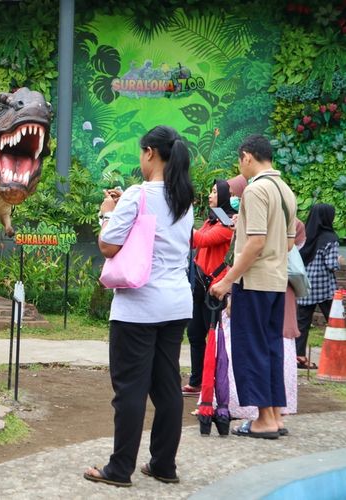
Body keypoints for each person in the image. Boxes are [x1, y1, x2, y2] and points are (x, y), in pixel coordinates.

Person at [84, 125, 194, 488]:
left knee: (130, 389)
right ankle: (164, 465)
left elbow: (108, 246)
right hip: (176, 303)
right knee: (167, 388)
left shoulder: (138, 194)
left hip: (138, 306)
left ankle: (119, 469)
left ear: (149, 153)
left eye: (140, 153)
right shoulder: (185, 198)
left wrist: (107, 213)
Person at [210, 134, 297, 440]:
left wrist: (227, 280)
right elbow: (287, 242)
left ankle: (263, 421)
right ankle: (274, 415)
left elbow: (256, 242)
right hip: (276, 282)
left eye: (240, 160)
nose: (240, 166)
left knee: (252, 349)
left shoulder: (256, 190)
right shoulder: (285, 190)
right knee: (271, 348)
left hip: (254, 282)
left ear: (247, 156)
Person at [183, 179, 235, 396]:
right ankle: (196, 381)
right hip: (199, 287)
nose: (211, 195)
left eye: (214, 192)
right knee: (195, 334)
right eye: (211, 191)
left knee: (213, 337)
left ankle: (213, 383)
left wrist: (179, 220)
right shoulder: (211, 221)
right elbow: (194, 242)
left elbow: (201, 240)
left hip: (215, 288)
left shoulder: (227, 226)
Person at [296, 203, 344, 369]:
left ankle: (299, 356)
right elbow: (331, 264)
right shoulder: (330, 238)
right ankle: (340, 357)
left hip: (305, 287)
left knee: (302, 323)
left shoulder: (305, 236)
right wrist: (338, 261)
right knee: (337, 320)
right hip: (324, 289)